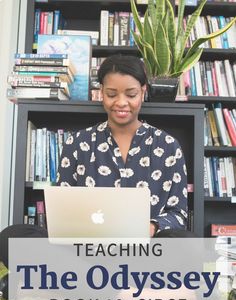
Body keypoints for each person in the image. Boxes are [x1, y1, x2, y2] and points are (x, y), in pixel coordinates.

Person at [57, 54, 188, 236]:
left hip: (148, 249)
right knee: (14, 235)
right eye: (111, 94)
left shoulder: (168, 146)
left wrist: (150, 227)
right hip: (89, 246)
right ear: (101, 92)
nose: (121, 103)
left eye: (131, 94)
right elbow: (62, 207)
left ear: (143, 92)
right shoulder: (77, 143)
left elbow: (179, 215)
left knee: (187, 240)